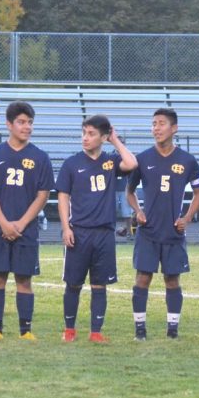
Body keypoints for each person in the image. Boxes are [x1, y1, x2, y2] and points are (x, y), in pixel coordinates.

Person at [57, 115, 137, 343]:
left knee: (99, 284)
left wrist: (115, 140)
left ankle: (96, 331)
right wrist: (66, 228)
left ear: (103, 137)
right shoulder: (71, 163)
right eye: (84, 133)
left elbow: (131, 164)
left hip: (104, 233)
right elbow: (63, 197)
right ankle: (69, 329)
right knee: (73, 283)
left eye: (91, 134)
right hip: (79, 231)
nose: (86, 138)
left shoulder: (111, 162)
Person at [0, 101, 54, 341]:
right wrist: (2, 222)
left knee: (24, 278)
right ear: (9, 124)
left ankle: (26, 331)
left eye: (30, 122)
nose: (27, 127)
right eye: (21, 122)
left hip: (26, 229)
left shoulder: (41, 157)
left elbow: (43, 195)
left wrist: (21, 224)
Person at [127, 108, 199, 340]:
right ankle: (140, 329)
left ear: (174, 128)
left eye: (161, 123)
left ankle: (172, 329)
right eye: (153, 124)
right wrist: (138, 211)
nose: (156, 128)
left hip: (173, 232)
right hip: (148, 232)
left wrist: (187, 218)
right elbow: (129, 192)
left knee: (172, 279)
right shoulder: (142, 159)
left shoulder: (187, 161)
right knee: (143, 278)